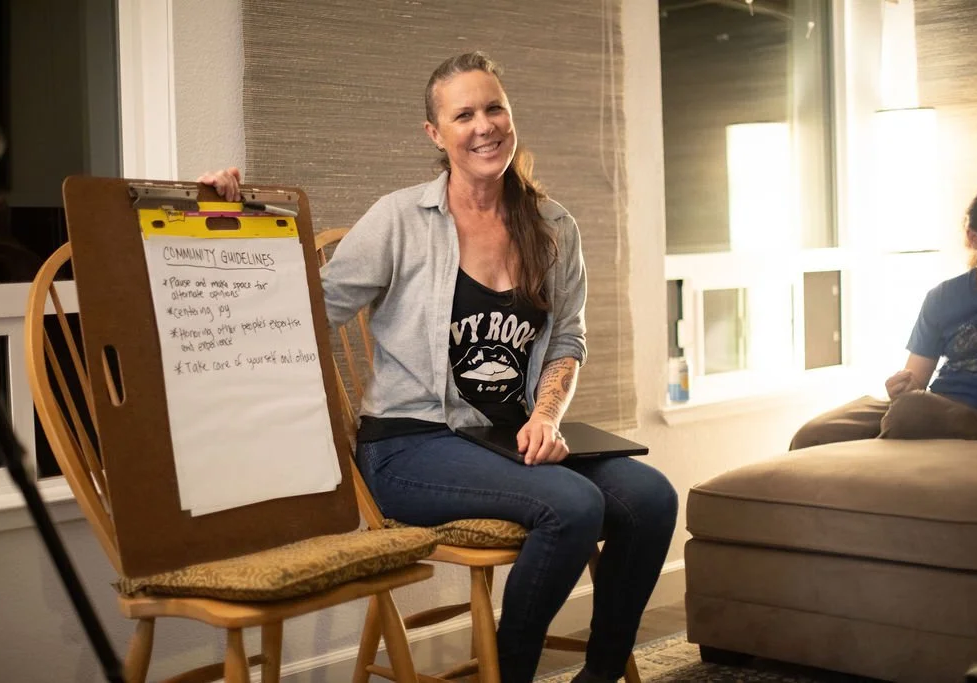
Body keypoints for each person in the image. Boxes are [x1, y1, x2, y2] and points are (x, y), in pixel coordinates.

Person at [200, 51, 677, 683]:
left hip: (505, 438)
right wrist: (226, 224)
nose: (484, 125)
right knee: (572, 506)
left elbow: (567, 338)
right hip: (409, 445)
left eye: (494, 107)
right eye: (464, 114)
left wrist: (545, 414)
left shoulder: (553, 224)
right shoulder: (400, 219)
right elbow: (302, 310)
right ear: (436, 133)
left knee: (651, 498)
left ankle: (600, 673)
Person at [790, 180, 977, 450]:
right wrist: (903, 387)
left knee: (909, 414)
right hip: (932, 405)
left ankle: (876, 463)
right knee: (813, 435)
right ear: (974, 238)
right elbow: (916, 380)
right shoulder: (943, 297)